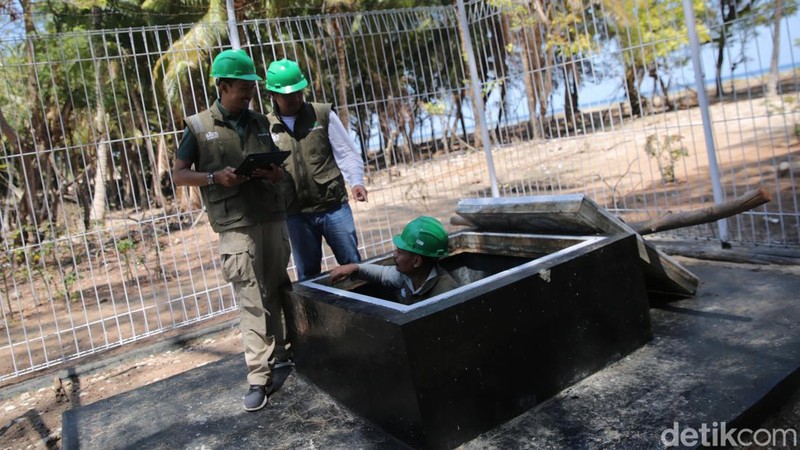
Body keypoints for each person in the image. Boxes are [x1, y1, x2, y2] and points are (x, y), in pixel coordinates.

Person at [172, 49, 293, 412]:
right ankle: (259, 376)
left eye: (251, 89)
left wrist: (275, 173)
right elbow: (178, 174)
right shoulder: (198, 126)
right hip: (235, 224)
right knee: (251, 298)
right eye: (242, 89)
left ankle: (285, 354)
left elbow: (276, 164)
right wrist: (213, 177)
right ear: (222, 86)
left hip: (270, 215)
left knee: (277, 288)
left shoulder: (258, 121)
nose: (248, 95)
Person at [263, 58, 368, 281]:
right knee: (308, 276)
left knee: (352, 265)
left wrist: (356, 181)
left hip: (333, 208)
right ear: (273, 95)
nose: (295, 98)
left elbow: (346, 152)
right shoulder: (266, 126)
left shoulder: (322, 114)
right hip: (295, 214)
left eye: (299, 92)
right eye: (288, 95)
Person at [329, 216, 459, 305]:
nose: (394, 255)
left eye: (400, 252)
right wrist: (355, 268)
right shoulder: (409, 277)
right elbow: (382, 274)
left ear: (416, 261)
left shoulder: (446, 292)